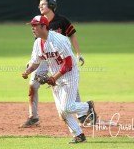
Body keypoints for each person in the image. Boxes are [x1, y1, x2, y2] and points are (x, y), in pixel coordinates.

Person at [22, 15, 97, 143]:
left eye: (35, 26)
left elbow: (68, 64)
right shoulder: (37, 43)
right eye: (32, 26)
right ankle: (78, 135)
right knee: (62, 112)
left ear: (43, 26)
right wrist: (28, 71)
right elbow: (36, 62)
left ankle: (87, 107)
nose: (32, 28)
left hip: (69, 75)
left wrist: (53, 77)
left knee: (67, 107)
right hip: (56, 77)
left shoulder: (58, 40)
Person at [20, 0, 89, 128]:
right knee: (32, 84)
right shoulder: (38, 22)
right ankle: (33, 117)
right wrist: (31, 64)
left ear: (51, 5)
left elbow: (72, 35)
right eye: (39, 4)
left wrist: (78, 53)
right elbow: (38, 46)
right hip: (45, 59)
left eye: (43, 4)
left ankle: (82, 115)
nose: (40, 6)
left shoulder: (62, 21)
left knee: (69, 83)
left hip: (62, 59)